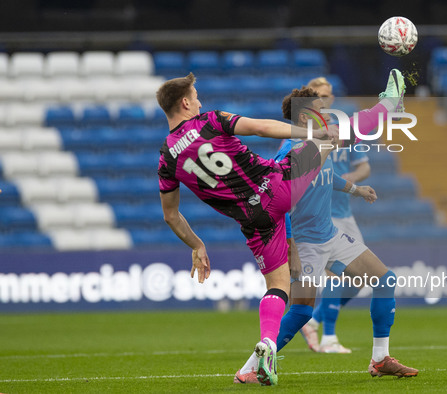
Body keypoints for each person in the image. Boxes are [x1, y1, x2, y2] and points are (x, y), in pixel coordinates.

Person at [235, 70, 418, 384]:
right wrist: (290, 250)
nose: (325, 117)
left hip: (331, 234)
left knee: (384, 279)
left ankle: (380, 358)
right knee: (302, 311)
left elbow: (335, 163)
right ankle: (249, 368)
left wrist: (355, 189)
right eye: (319, 112)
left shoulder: (317, 142)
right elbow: (282, 205)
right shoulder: (293, 153)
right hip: (306, 244)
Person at [156, 73, 336, 386]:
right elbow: (263, 127)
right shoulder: (211, 120)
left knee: (277, 287)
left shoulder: (167, 159)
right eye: (195, 96)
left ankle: (266, 344)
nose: (199, 101)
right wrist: (310, 130)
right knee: (330, 138)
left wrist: (197, 246)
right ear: (185, 103)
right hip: (278, 186)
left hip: (254, 221)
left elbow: (170, 215)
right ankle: (383, 111)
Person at [300, 76, 374, 354]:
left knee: (362, 278)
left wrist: (349, 183)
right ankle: (328, 337)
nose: (325, 99)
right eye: (319, 94)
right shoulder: (300, 131)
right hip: (319, 215)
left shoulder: (344, 130)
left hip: (344, 212)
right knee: (338, 277)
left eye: (328, 95)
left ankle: (315, 320)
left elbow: (363, 167)